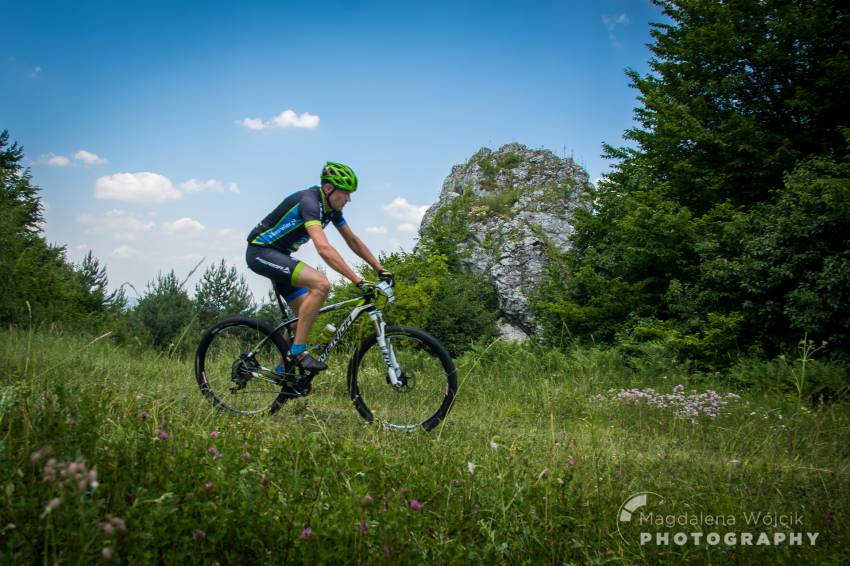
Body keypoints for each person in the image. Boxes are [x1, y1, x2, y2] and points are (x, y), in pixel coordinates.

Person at [245, 162, 393, 372]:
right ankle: (298, 353)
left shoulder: (331, 210)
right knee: (321, 284)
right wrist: (358, 280)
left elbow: (353, 241)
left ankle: (282, 373)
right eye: (345, 194)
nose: (349, 199)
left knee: (303, 313)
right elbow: (323, 248)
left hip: (280, 255)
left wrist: (380, 268)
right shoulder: (310, 202)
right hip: (260, 252)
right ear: (328, 189)